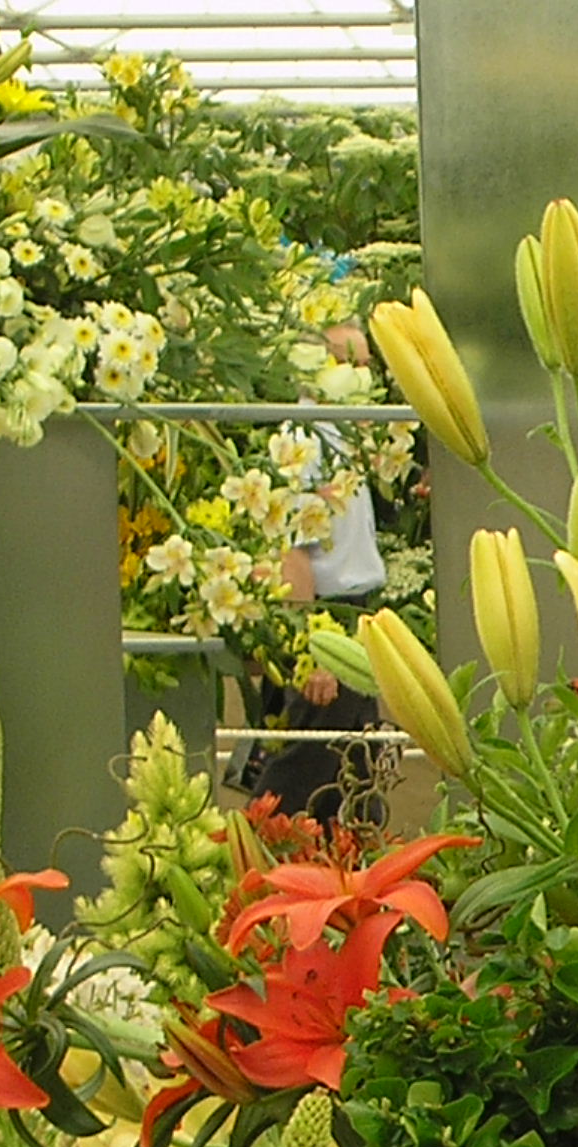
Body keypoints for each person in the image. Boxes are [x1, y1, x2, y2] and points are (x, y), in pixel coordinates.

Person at [257, 322, 388, 825]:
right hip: (327, 613)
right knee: (305, 765)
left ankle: (354, 855)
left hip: (354, 612)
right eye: (351, 365)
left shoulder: (342, 433)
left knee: (356, 768)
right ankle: (251, 844)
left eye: (367, 365)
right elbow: (292, 548)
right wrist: (313, 648)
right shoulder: (305, 440)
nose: (364, 378)